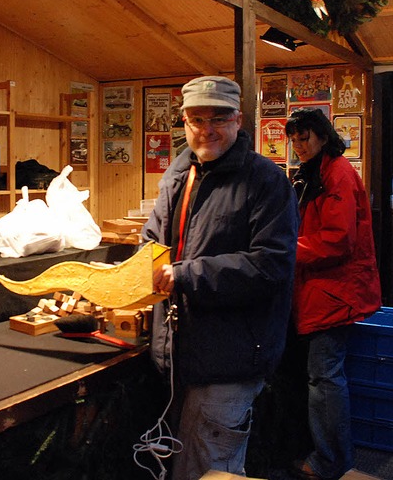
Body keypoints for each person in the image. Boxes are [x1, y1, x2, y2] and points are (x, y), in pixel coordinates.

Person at [142, 75, 300, 480]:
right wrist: (136, 269)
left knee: (210, 470)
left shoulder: (266, 181)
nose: (206, 129)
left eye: (219, 118)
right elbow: (153, 242)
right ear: (183, 121)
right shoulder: (179, 173)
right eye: (196, 119)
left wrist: (186, 275)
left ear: (239, 120)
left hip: (230, 360)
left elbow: (271, 265)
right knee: (180, 465)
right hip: (178, 356)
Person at [283, 108, 382, 480]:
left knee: (324, 378)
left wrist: (286, 248)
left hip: (334, 292)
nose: (298, 146)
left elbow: (337, 240)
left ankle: (331, 461)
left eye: (304, 138)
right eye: (294, 139)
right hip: (320, 290)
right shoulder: (316, 172)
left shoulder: (337, 173)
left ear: (322, 136)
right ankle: (328, 455)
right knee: (322, 376)